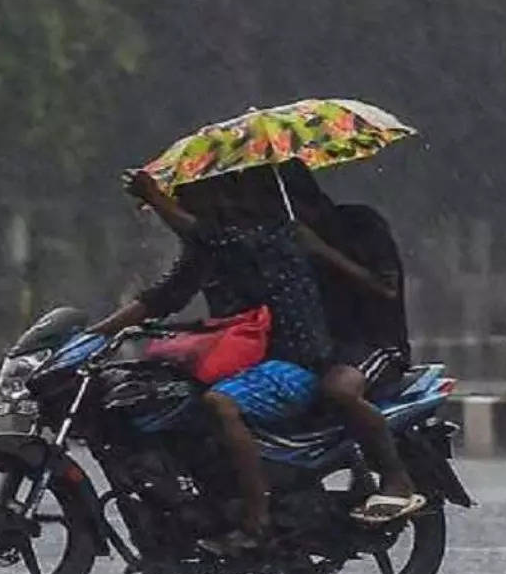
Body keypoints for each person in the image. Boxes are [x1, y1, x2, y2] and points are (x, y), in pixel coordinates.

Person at [91, 166, 395, 550]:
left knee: (221, 403)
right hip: (246, 362)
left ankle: (256, 519)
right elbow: (161, 297)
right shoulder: (209, 250)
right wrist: (91, 336)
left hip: (295, 361)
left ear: (217, 196)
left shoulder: (272, 234)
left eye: (189, 195)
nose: (184, 203)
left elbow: (212, 238)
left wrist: (156, 198)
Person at [276, 158, 423, 523]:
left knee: (340, 391)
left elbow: (385, 288)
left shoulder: (361, 224)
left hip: (374, 344)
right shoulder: (282, 240)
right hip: (321, 347)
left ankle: (396, 478)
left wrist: (321, 250)